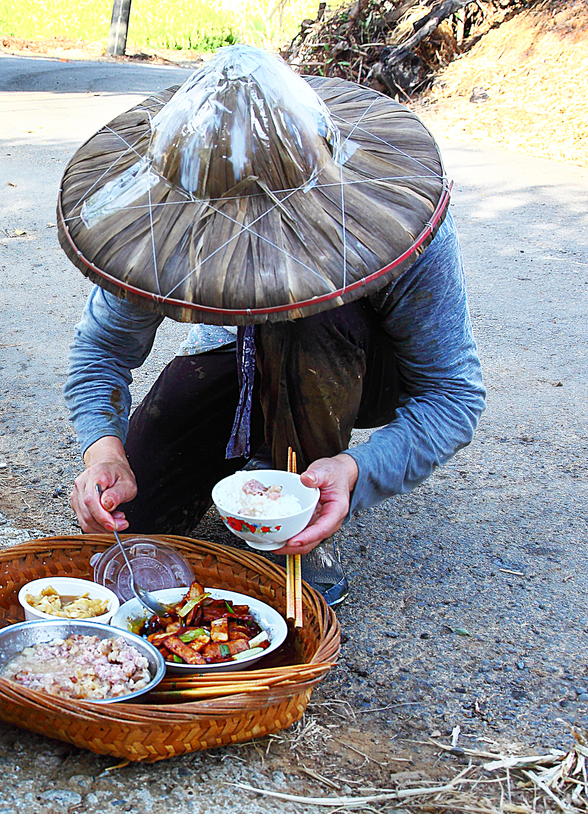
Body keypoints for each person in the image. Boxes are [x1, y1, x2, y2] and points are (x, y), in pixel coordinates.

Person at [55, 46, 485, 604]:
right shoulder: (159, 229)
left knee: (304, 324)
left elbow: (452, 395)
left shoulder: (398, 222)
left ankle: (298, 507)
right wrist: (103, 452)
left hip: (353, 361)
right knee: (132, 522)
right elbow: (101, 352)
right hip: (234, 360)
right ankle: (254, 448)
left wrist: (357, 470)